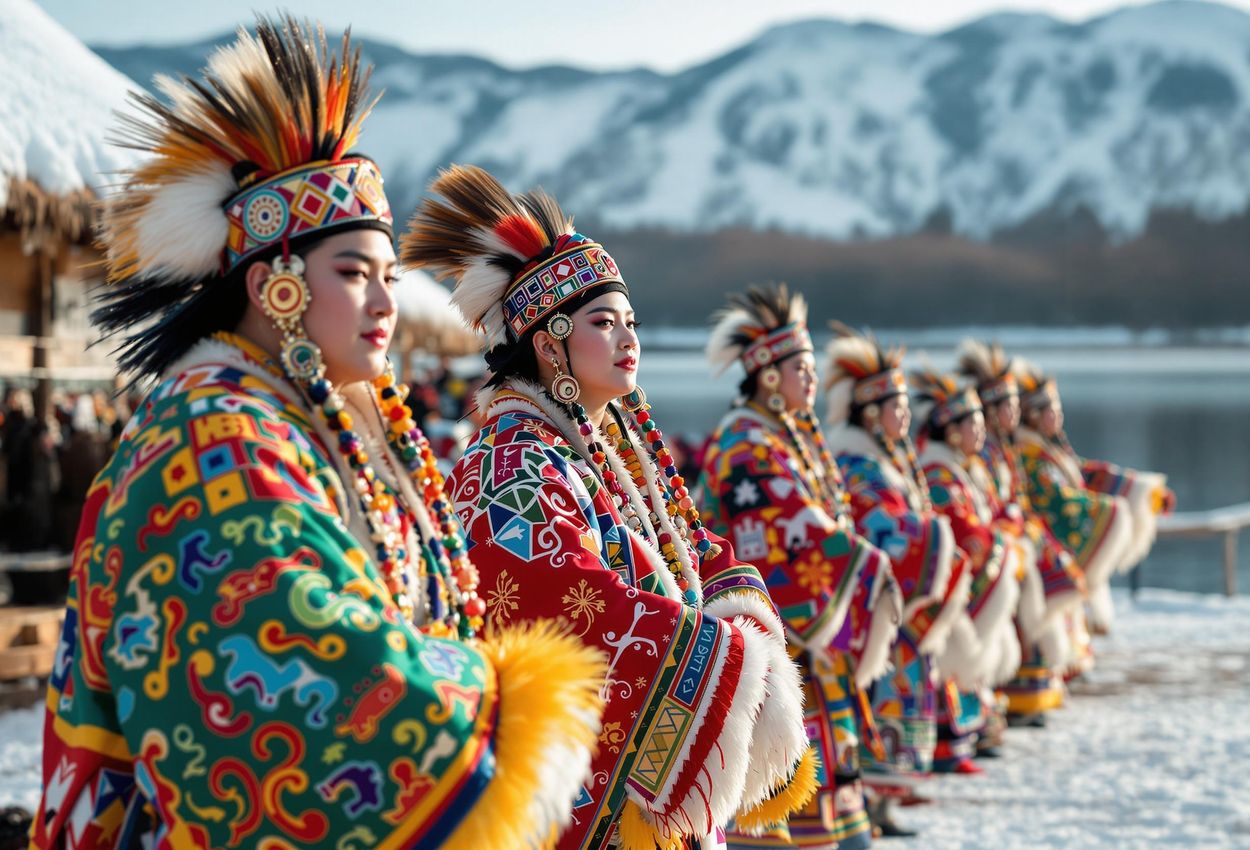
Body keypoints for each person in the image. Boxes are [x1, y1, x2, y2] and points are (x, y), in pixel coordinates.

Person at [30, 18, 605, 850]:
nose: (382, 304)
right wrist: (497, 713)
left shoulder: (324, 419)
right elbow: (285, 634)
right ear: (273, 285)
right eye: (352, 274)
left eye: (389, 279)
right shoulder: (209, 434)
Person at [403, 166, 812, 850]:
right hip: (576, 791)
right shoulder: (511, 463)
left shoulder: (602, 450)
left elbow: (690, 545)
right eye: (603, 322)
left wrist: (737, 620)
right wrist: (723, 658)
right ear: (548, 342)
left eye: (632, 322)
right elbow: (561, 600)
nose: (629, 339)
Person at [697, 285, 902, 850]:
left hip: (808, 633)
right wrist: (858, 559)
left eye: (812, 369)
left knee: (827, 770)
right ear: (768, 375)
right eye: (802, 369)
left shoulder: (782, 436)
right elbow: (790, 525)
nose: (812, 381)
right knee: (780, 777)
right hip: (773, 628)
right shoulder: (745, 442)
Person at [820, 325, 968, 836]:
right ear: (867, 411)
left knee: (902, 701)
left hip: (899, 602)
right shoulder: (856, 462)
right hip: (877, 603)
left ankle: (884, 805)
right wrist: (932, 537)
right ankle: (871, 807)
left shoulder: (887, 457)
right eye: (893, 406)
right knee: (880, 703)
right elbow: (872, 522)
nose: (904, 416)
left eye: (905, 406)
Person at [956, 340, 1085, 724]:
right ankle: (1012, 693)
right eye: (1007, 406)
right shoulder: (984, 454)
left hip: (1014, 539)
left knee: (1046, 574)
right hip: (998, 544)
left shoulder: (1002, 450)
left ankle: (1035, 688)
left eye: (1016, 405)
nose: (1015, 413)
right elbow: (990, 505)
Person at [909, 367, 1028, 766]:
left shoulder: (962, 469)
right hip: (951, 587)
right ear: (953, 430)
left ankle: (968, 734)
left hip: (970, 584)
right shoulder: (940, 474)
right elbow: (962, 530)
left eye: (980, 422)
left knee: (974, 659)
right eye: (973, 423)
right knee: (956, 657)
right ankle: (948, 742)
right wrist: (997, 534)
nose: (980, 431)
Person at [1012, 359, 1172, 650]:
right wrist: (1111, 513)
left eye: (1058, 409)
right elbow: (1059, 500)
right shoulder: (1030, 455)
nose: (1058, 416)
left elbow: (1084, 474)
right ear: (1034, 416)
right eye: (1051, 411)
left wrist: (1143, 492)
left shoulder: (1050, 450)